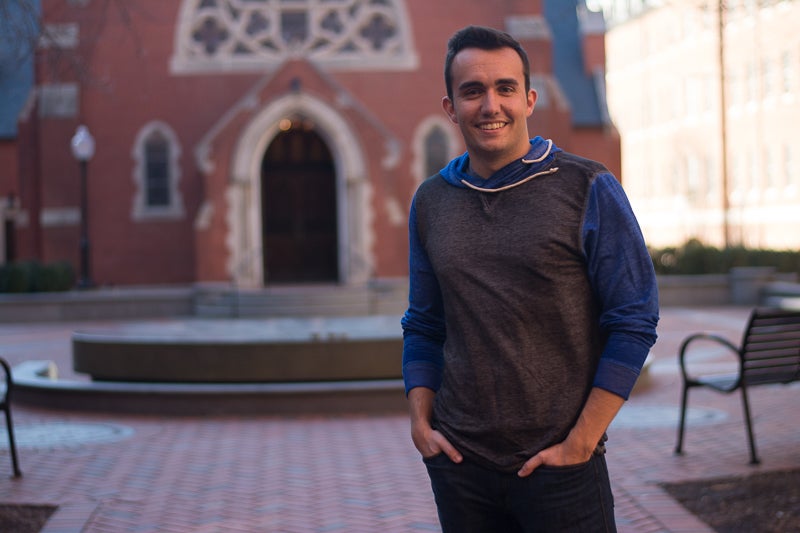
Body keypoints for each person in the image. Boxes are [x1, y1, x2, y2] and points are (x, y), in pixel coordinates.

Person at [401, 25, 659, 532]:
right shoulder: (431, 200)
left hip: (562, 469)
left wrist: (582, 441)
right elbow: (424, 324)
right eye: (472, 91)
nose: (490, 105)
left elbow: (634, 319)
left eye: (505, 88)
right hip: (460, 468)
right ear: (451, 108)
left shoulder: (588, 187)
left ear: (529, 98)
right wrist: (421, 423)